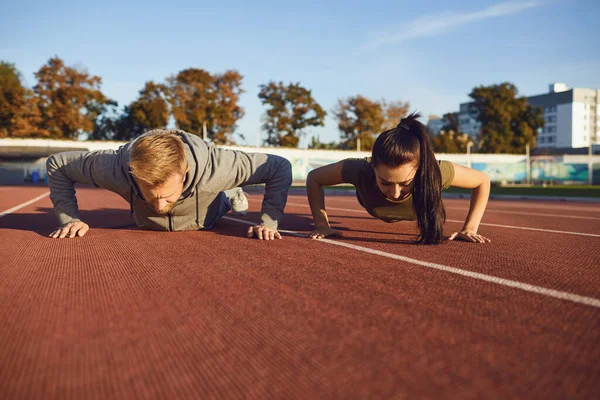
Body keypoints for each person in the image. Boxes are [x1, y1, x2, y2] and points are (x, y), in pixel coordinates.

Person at [46, 129, 292, 240]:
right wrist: (70, 219)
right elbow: (57, 164)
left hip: (209, 211)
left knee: (223, 196)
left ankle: (231, 192)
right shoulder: (114, 168)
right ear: (133, 174)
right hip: (147, 222)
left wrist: (268, 222)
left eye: (167, 196)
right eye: (151, 196)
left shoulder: (218, 167)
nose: (160, 205)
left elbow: (280, 167)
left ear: (184, 172)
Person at [306, 113, 491, 244]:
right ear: (372, 168)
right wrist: (321, 225)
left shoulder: (435, 172)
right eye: (385, 182)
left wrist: (470, 228)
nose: (395, 193)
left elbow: (482, 181)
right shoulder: (358, 169)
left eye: (405, 183)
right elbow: (314, 178)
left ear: (420, 171)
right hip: (369, 202)